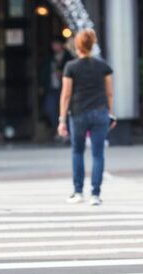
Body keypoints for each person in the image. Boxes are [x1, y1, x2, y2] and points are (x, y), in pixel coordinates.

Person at [58, 29, 116, 206]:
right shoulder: (103, 66)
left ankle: (78, 192)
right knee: (98, 154)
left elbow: (66, 94)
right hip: (100, 113)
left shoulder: (71, 67)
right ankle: (95, 195)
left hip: (78, 113)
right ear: (92, 44)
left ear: (77, 46)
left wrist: (61, 120)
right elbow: (109, 93)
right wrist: (111, 113)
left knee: (78, 151)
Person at [40, 36, 73, 134]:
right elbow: (43, 72)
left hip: (64, 87)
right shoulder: (49, 58)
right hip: (52, 88)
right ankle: (58, 129)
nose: (54, 47)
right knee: (50, 108)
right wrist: (42, 85)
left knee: (66, 109)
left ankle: (67, 131)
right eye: (53, 45)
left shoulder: (69, 57)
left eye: (56, 44)